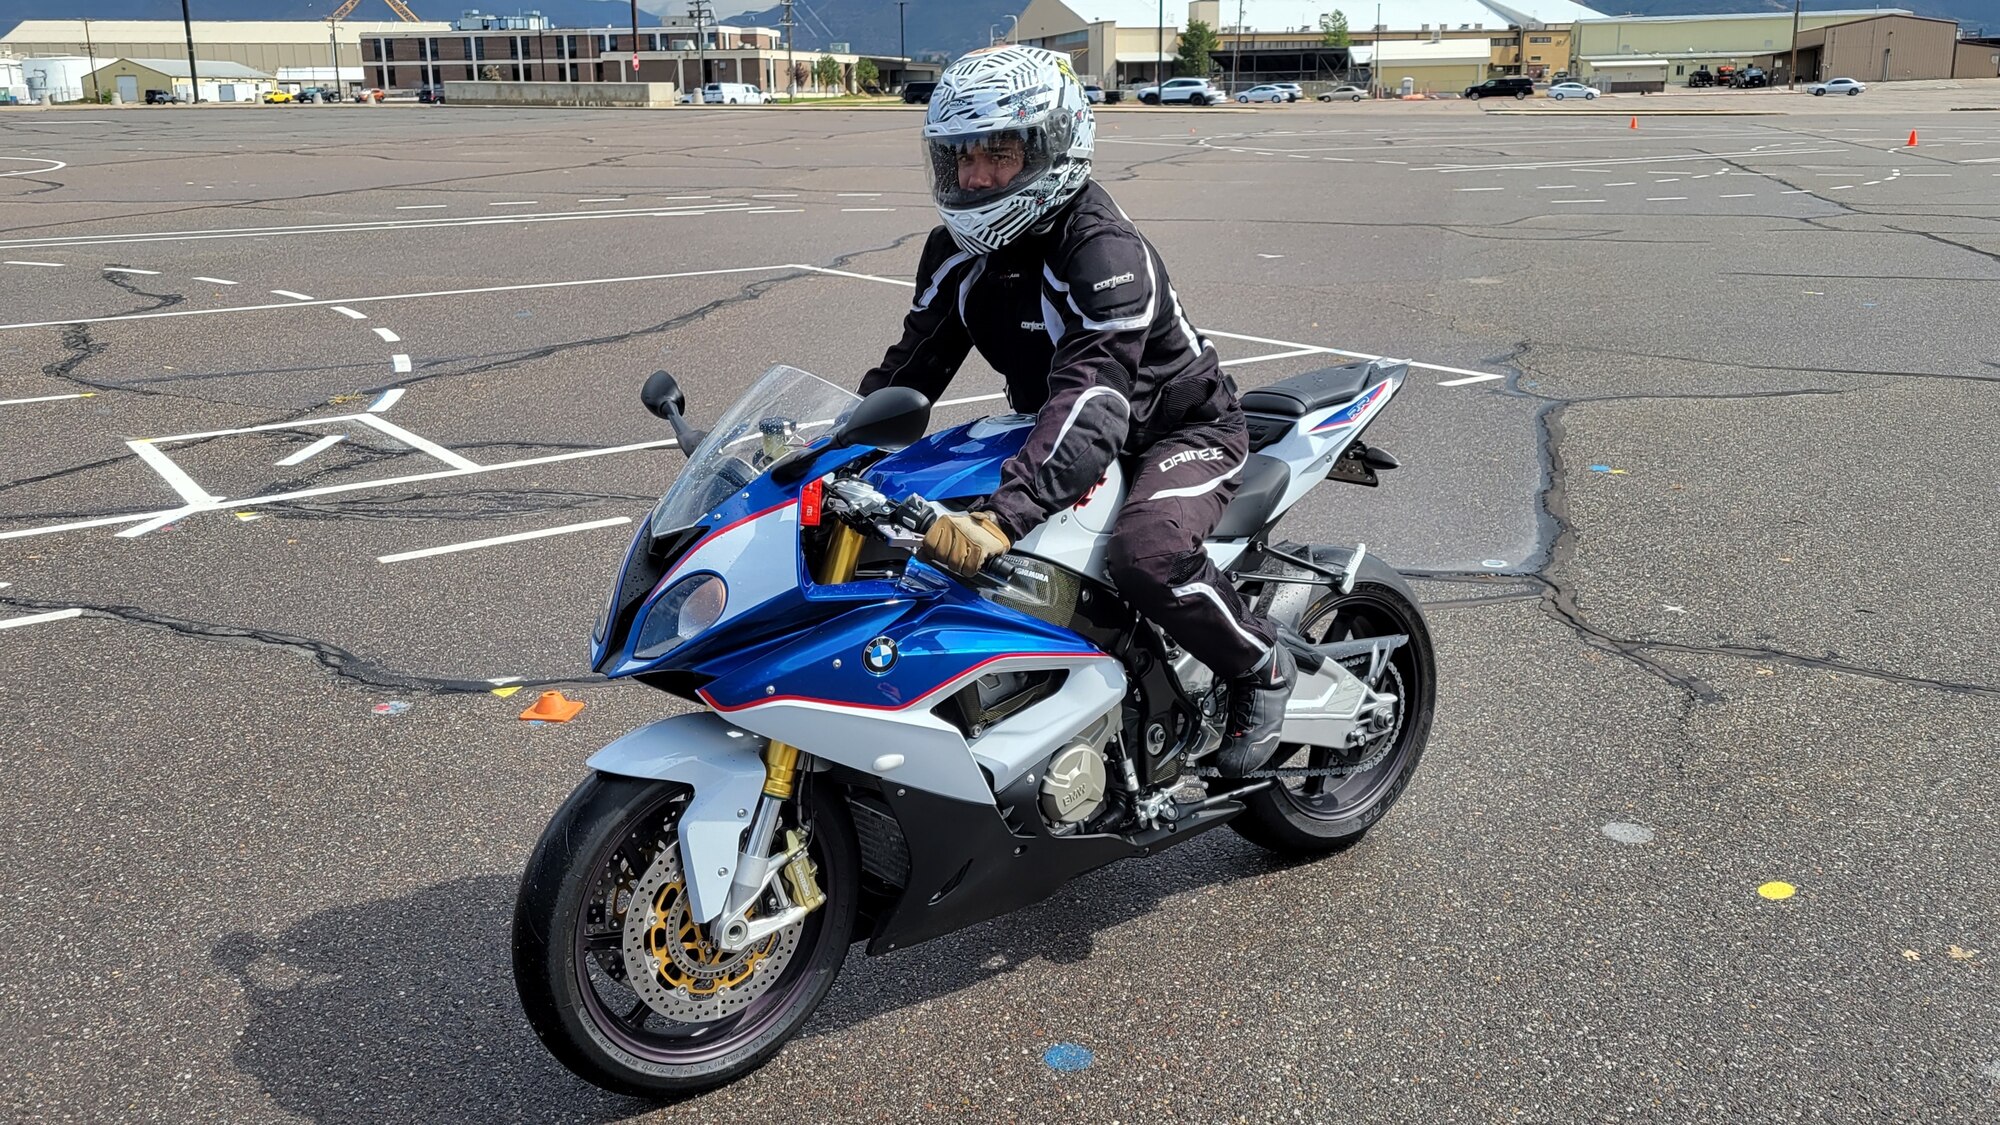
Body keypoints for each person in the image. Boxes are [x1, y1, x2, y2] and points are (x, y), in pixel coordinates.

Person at [857, 45, 1292, 776]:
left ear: (1052, 147)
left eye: (997, 153)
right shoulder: (956, 251)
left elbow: (1095, 402)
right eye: (958, 156)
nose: (973, 176)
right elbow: (910, 368)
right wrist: (830, 453)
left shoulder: (1101, 249)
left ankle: (1262, 666)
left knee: (1147, 556)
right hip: (1060, 429)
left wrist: (1001, 518)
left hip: (1176, 431)